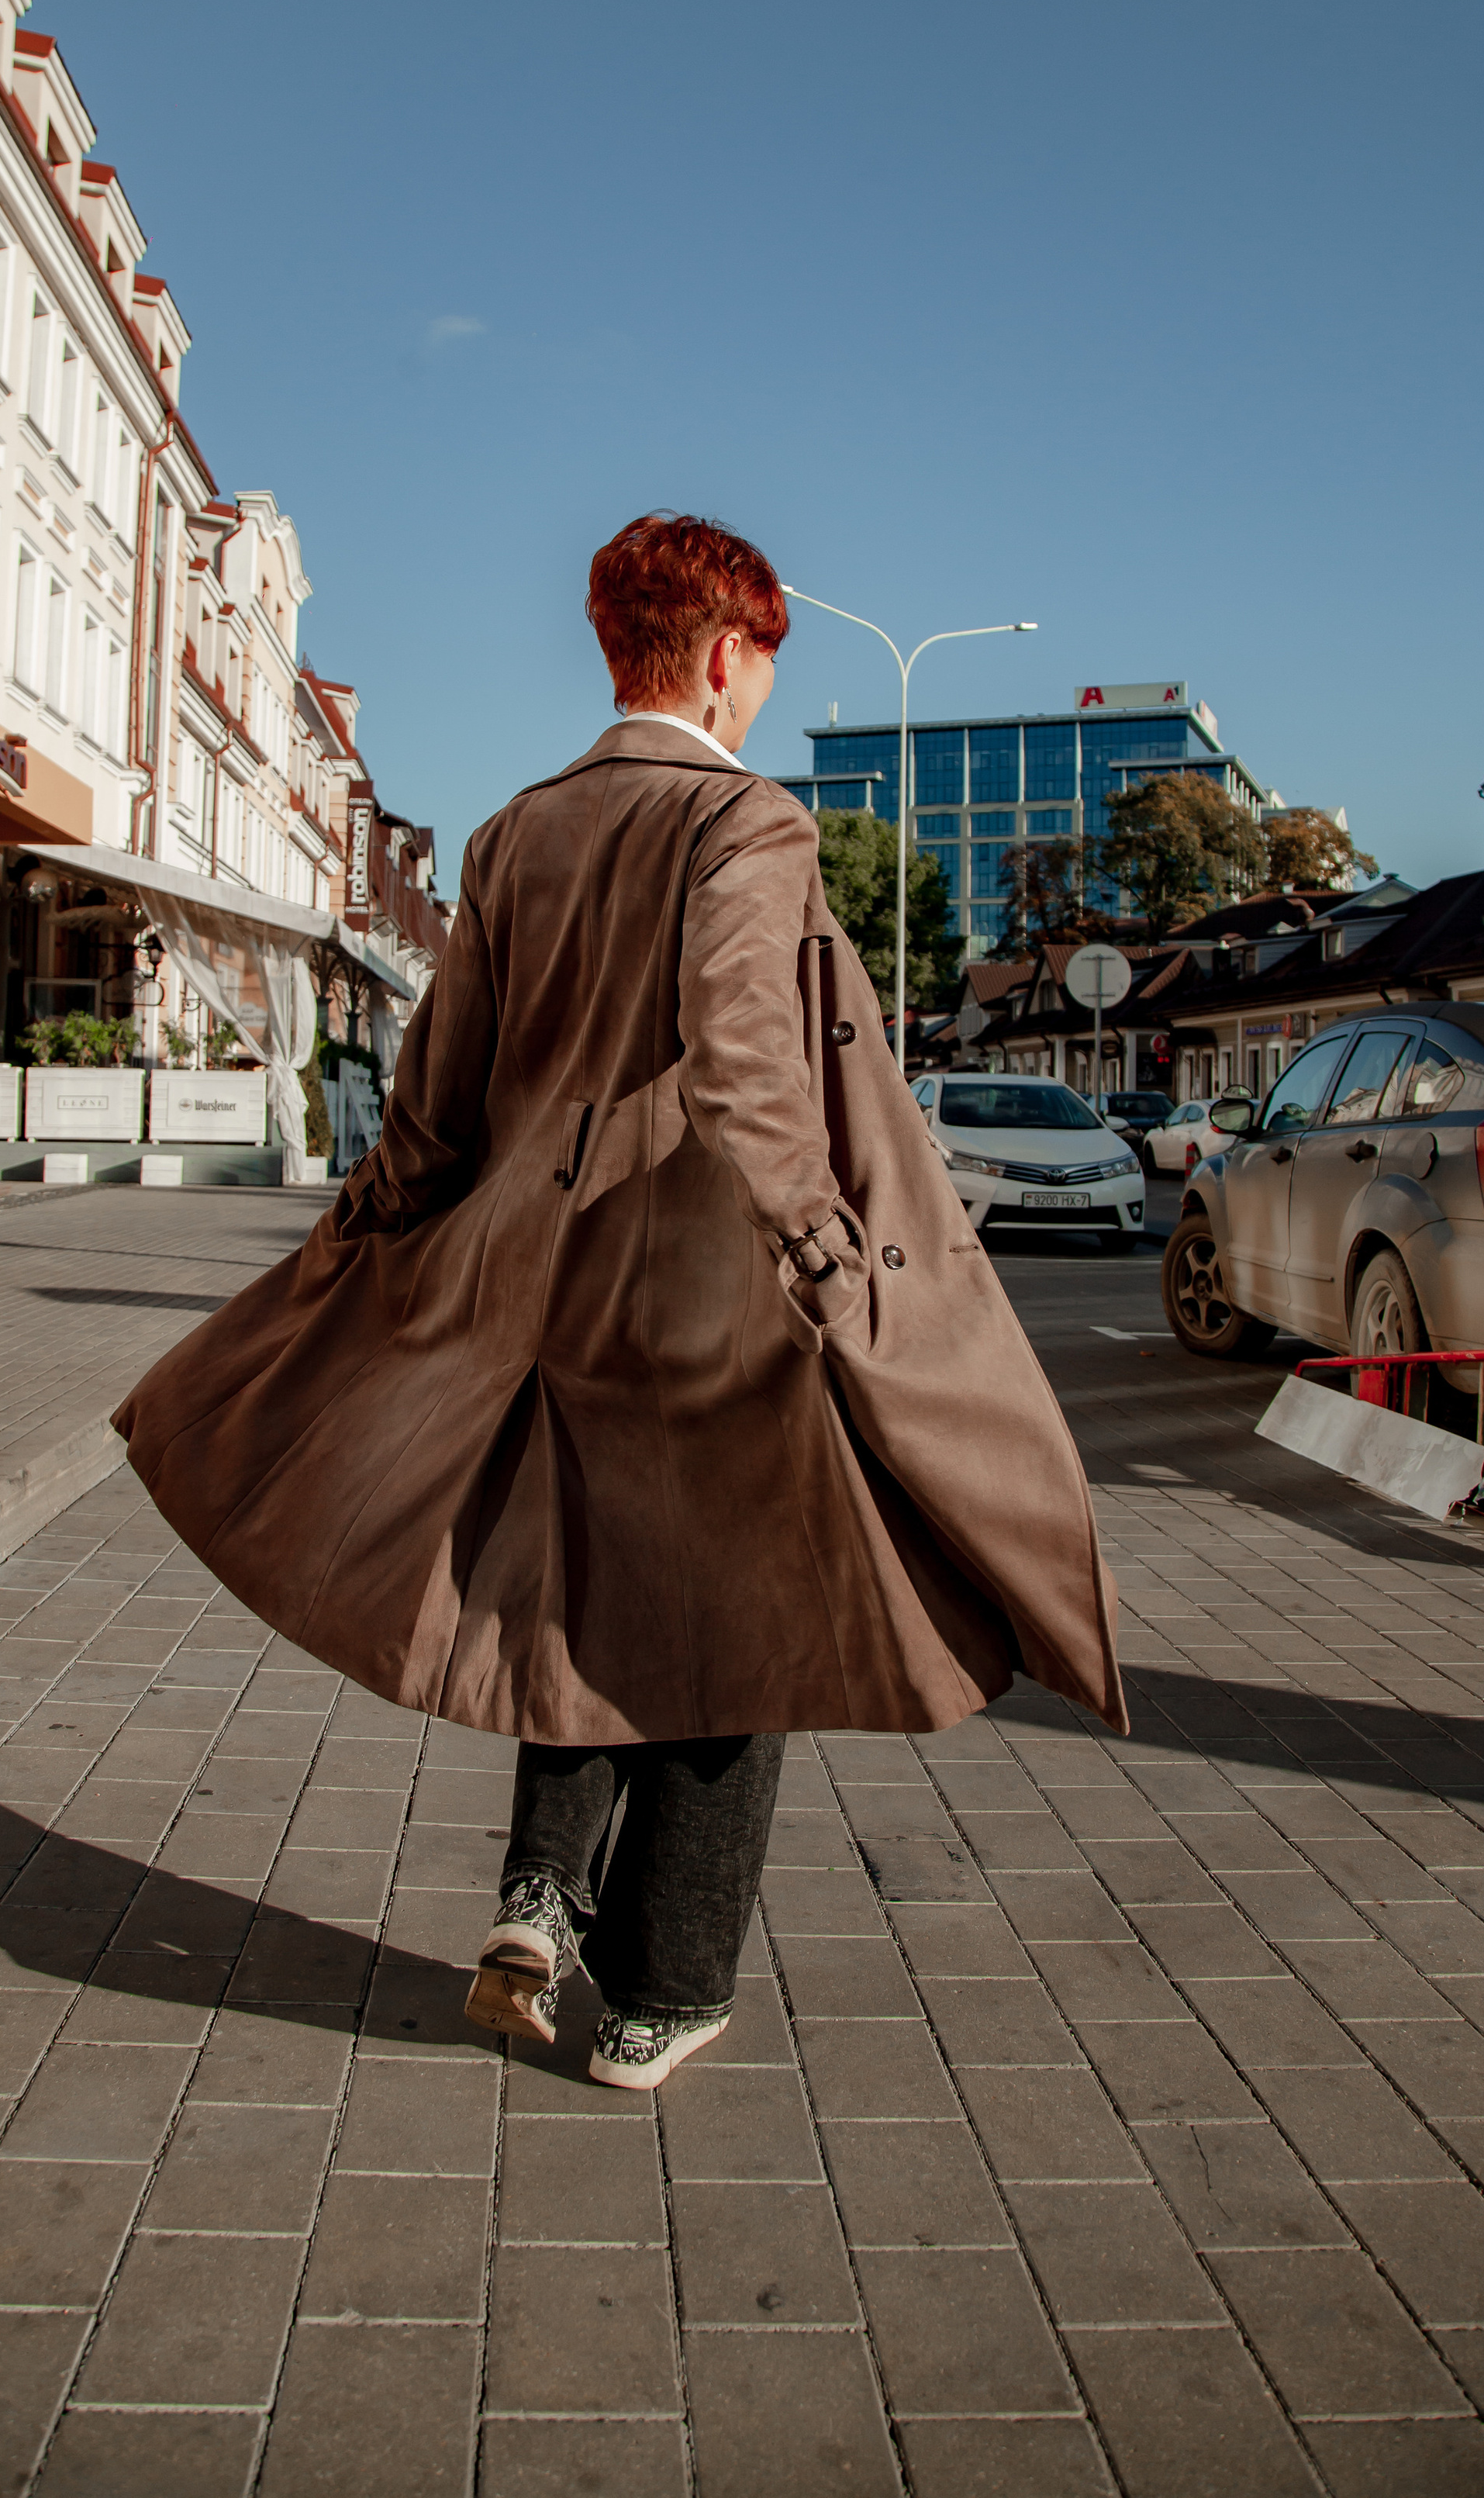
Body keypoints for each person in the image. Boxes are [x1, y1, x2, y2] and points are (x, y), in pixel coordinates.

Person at [114, 511, 1123, 2094]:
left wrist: (357, 1248)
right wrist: (825, 1256)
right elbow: (740, 1060)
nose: (758, 703)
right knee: (746, 1636)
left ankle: (539, 1890)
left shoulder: (522, 830)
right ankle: (658, 1996)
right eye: (762, 670)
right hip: (705, 1294)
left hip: (539, 1284)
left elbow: (438, 1092)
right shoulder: (746, 827)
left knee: (583, 1585)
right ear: (724, 657)